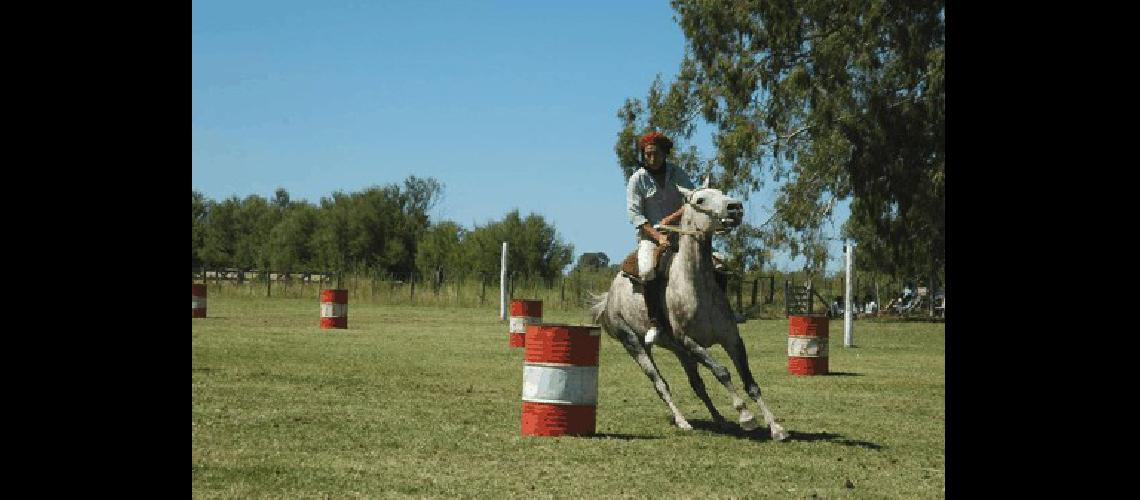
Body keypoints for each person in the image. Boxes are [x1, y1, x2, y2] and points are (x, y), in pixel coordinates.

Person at [626, 131, 695, 348]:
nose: (652, 159)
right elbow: (636, 216)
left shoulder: (678, 173)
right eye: (648, 155)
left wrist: (671, 219)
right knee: (647, 269)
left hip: (681, 233)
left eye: (656, 154)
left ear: (664, 153)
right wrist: (658, 236)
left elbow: (692, 200)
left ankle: (723, 312)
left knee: (716, 261)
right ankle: (655, 323)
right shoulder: (637, 179)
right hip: (649, 238)